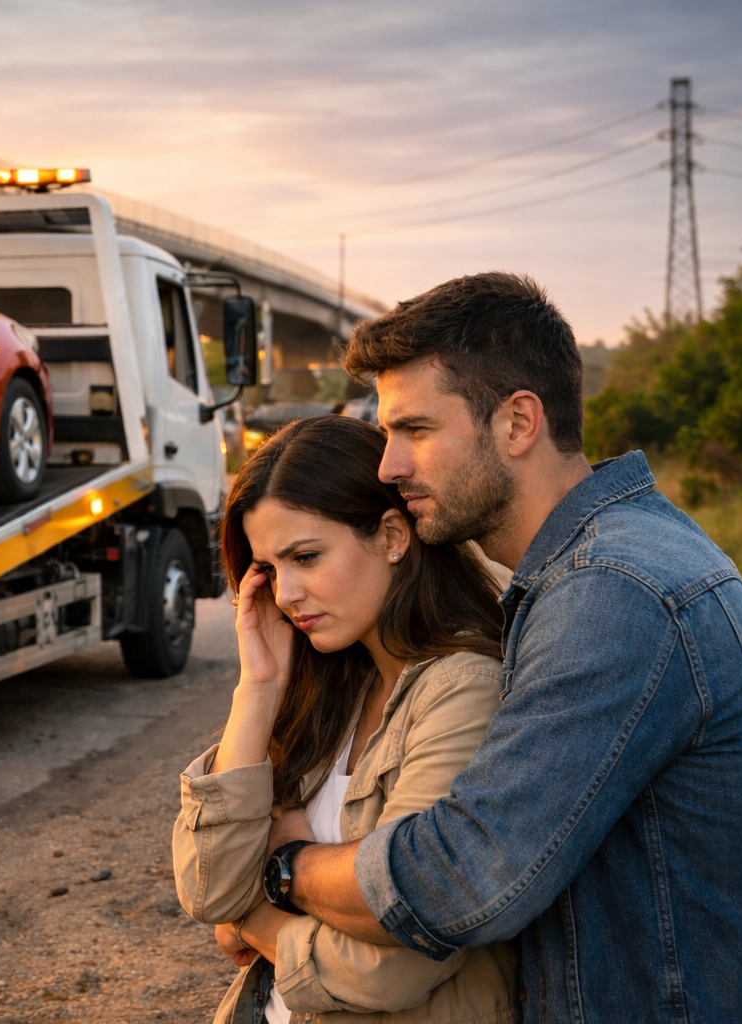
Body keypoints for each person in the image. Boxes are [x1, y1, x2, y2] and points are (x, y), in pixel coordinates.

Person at [270, 273, 742, 1022]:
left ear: (519, 423)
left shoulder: (615, 592)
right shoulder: (608, 563)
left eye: (416, 430)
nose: (387, 466)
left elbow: (465, 878)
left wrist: (289, 868)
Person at [173, 415, 519, 1024]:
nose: (286, 595)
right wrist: (258, 687)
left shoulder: (463, 690)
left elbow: (394, 967)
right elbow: (208, 888)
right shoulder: (331, 683)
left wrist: (265, 899)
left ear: (391, 536)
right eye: (272, 570)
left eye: (306, 556)